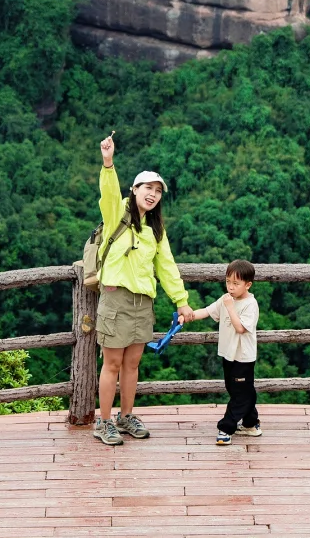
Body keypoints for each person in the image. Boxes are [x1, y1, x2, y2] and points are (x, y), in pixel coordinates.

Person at [93, 132, 195, 446]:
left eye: (157, 191)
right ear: (135, 189)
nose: (152, 194)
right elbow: (108, 193)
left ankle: (125, 416)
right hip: (115, 297)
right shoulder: (116, 214)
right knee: (111, 363)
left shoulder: (155, 228)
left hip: (142, 302)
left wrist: (181, 301)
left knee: (132, 364)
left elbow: (166, 265)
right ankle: (104, 421)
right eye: (147, 188)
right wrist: (108, 163)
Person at [190, 260, 260, 446]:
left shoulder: (250, 305)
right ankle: (251, 424)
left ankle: (226, 428)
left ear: (248, 284)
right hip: (228, 353)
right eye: (228, 281)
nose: (230, 287)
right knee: (239, 390)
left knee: (240, 394)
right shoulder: (225, 298)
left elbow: (240, 328)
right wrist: (188, 316)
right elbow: (207, 311)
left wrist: (229, 307)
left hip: (243, 356)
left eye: (236, 284)